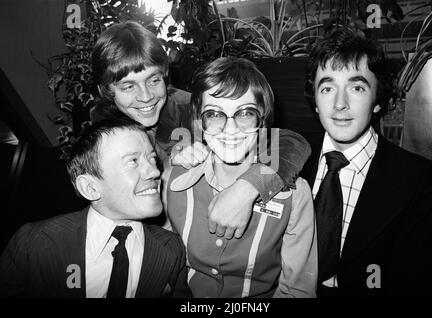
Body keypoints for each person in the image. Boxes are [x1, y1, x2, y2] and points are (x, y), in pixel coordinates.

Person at [90, 20, 311, 239]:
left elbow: (291, 143)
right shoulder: (104, 133)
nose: (146, 96)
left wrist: (249, 187)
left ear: (165, 75)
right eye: (128, 86)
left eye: (153, 80)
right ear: (106, 90)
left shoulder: (194, 108)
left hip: (210, 234)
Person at [300, 29, 432, 297]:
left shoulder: (417, 180)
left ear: (377, 101)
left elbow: (419, 281)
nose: (340, 104)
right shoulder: (294, 155)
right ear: (316, 100)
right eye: (328, 87)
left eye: (356, 87)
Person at [163, 57, 317, 298]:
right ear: (198, 122)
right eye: (214, 115)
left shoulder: (295, 195)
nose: (231, 128)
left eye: (245, 113)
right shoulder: (174, 181)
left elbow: (296, 289)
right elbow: (167, 269)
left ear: (262, 119)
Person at [0, 118, 191, 298]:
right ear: (90, 188)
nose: (155, 171)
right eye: (133, 161)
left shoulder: (172, 248)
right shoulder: (32, 243)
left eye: (151, 159)